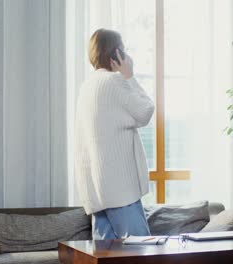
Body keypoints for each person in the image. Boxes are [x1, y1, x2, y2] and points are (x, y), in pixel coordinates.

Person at [74, 29, 155, 240]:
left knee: (104, 258)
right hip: (121, 191)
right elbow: (145, 111)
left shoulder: (86, 87)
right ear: (116, 54)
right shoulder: (114, 82)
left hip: (97, 193)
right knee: (142, 254)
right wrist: (129, 77)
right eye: (123, 50)